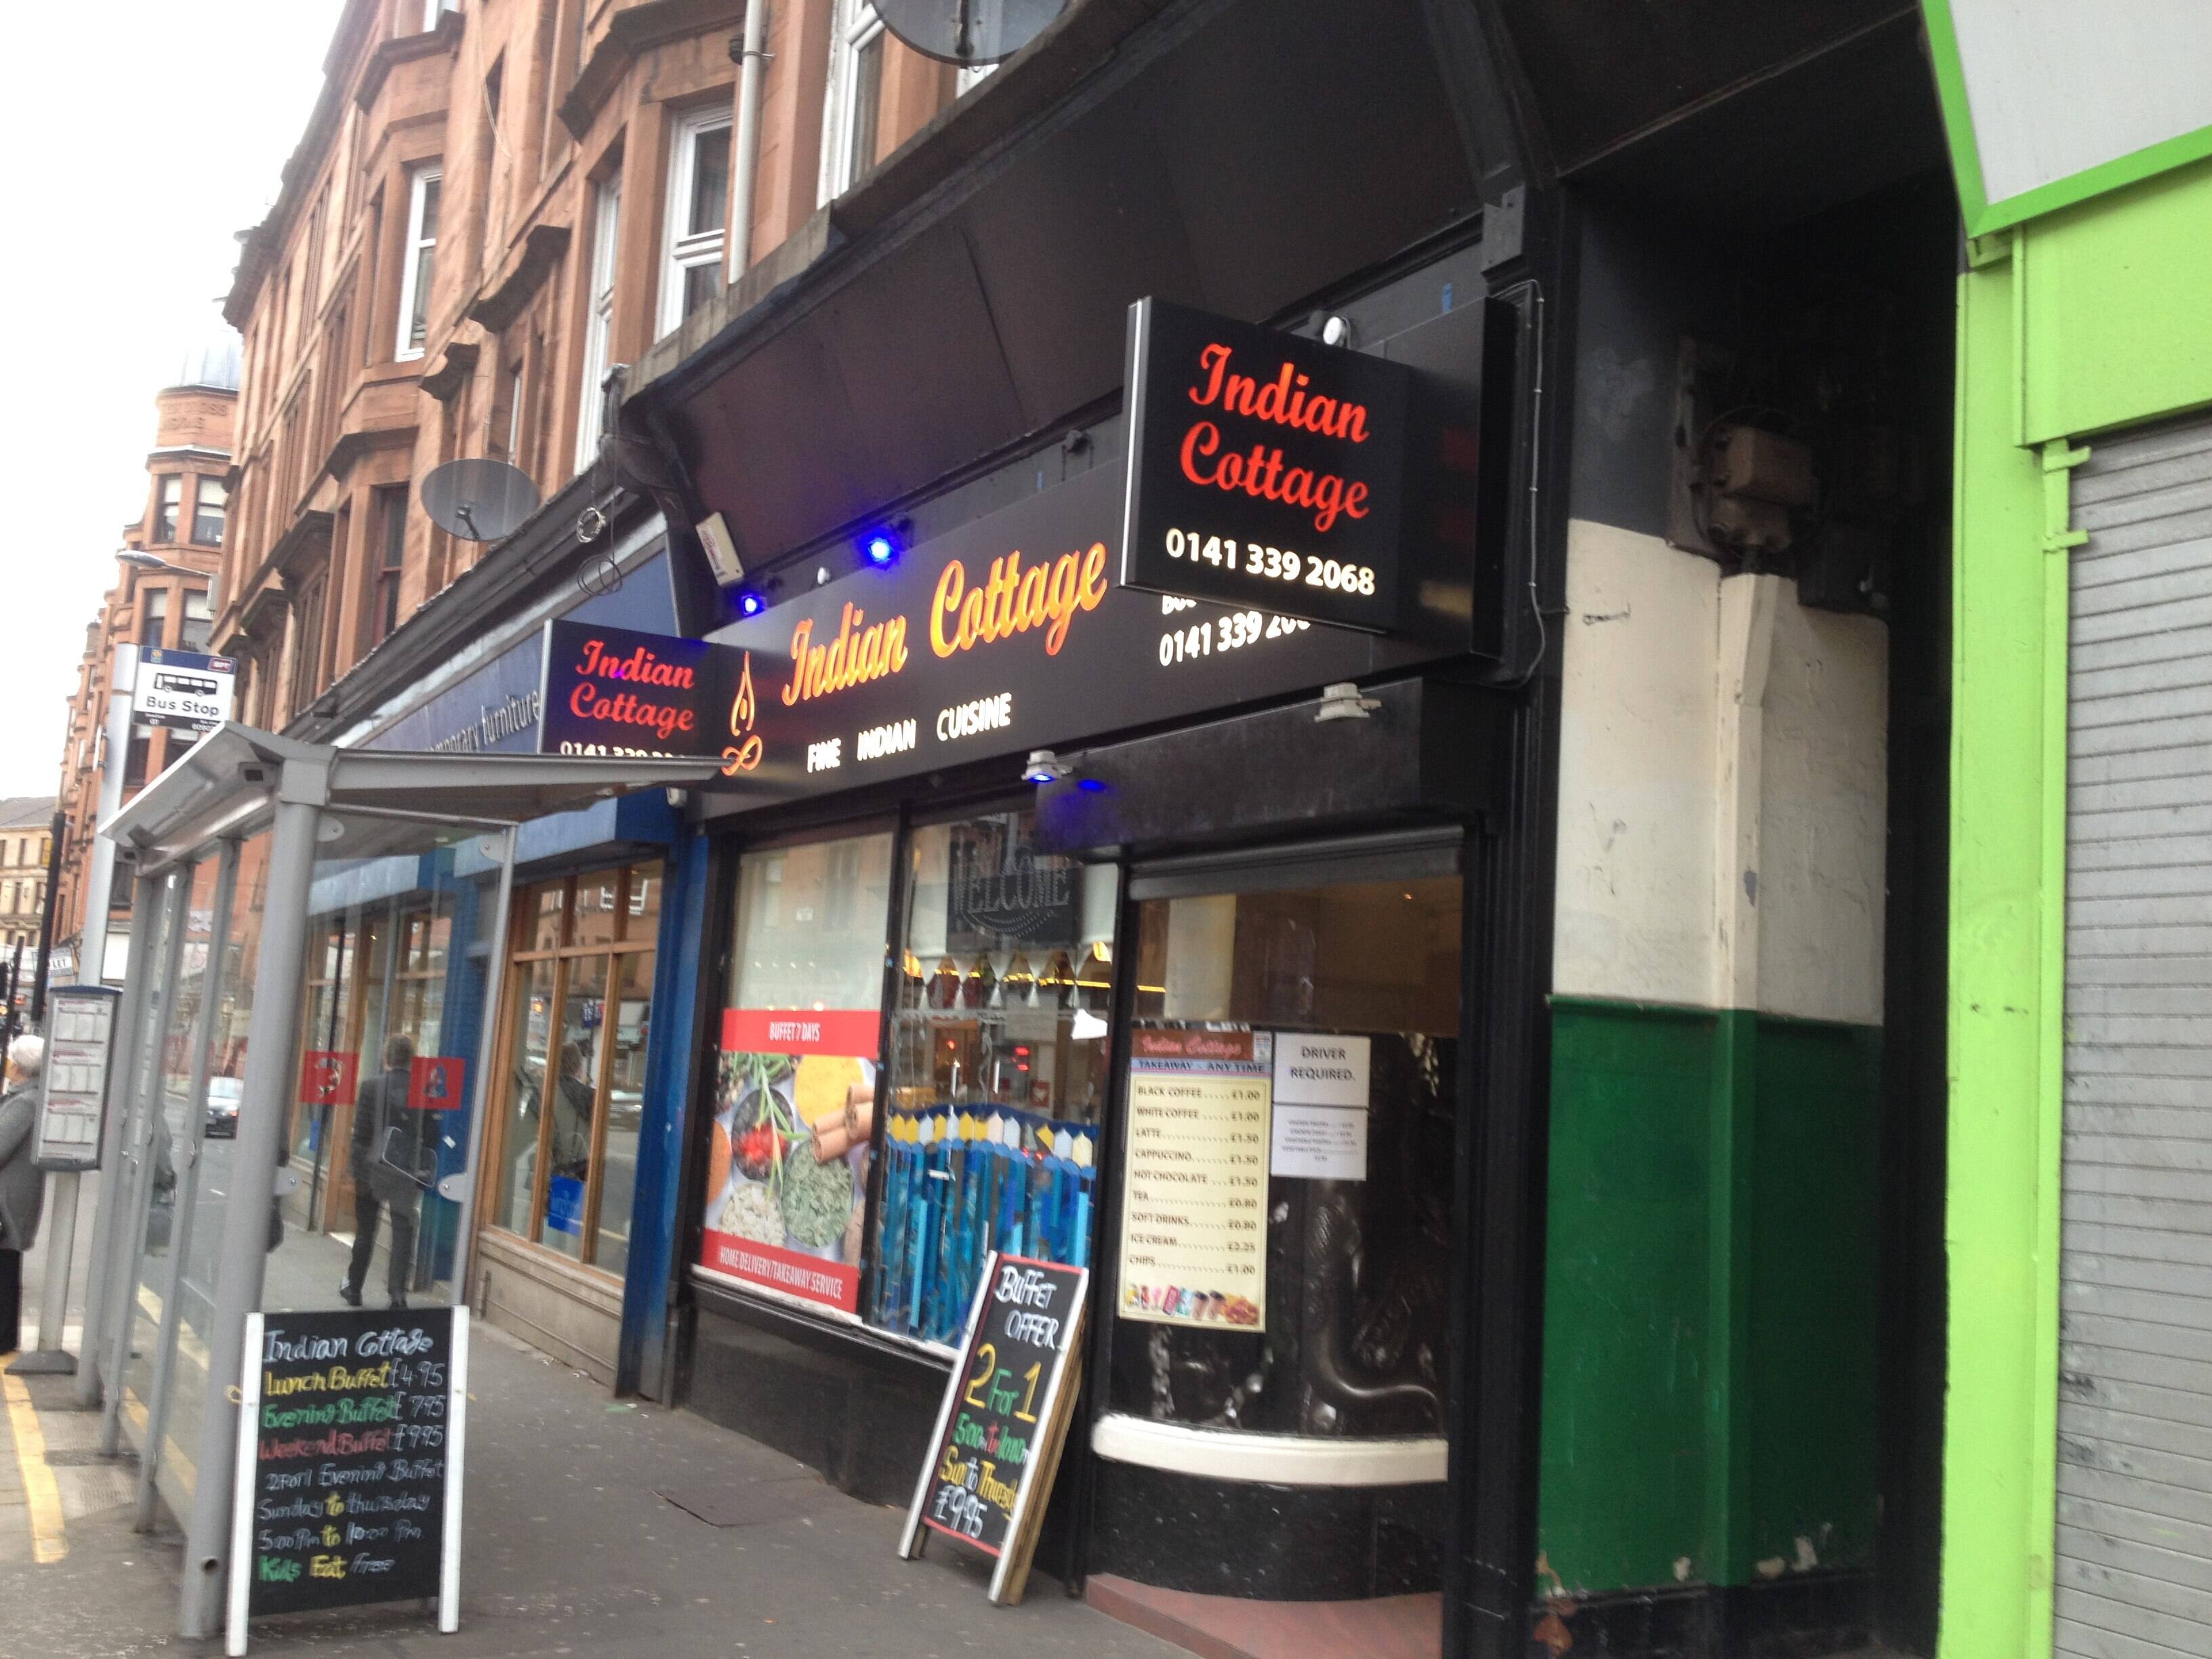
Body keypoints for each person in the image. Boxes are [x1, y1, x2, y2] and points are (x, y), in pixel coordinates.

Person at [343, 1033, 427, 1309]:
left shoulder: (370, 1087)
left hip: (373, 1169)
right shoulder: (421, 1089)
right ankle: (397, 1293)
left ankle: (354, 1288)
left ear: (386, 1058)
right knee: (403, 1230)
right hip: (406, 1172)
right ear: (411, 1060)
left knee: (366, 1231)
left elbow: (361, 1135)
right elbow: (429, 1135)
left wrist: (359, 1173)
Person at [0, 1036, 49, 1353]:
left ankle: (4, 1338)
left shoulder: (25, 1102)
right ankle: (5, 1337)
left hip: (8, 1202)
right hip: (13, 1198)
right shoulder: (27, 1097)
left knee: (4, 1270)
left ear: (17, 1067)